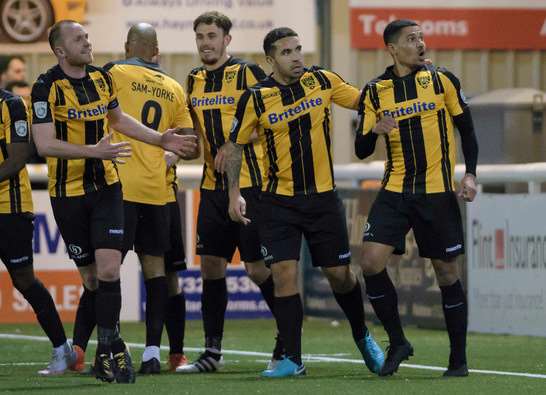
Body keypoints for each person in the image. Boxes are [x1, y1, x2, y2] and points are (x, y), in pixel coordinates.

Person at [31, 19, 197, 383]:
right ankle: (97, 344)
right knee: (92, 279)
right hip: (68, 193)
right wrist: (93, 151)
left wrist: (160, 140)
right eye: (79, 39)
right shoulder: (45, 87)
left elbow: (119, 120)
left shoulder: (102, 79)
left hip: (107, 187)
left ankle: (109, 349)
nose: (87, 43)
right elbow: (44, 145)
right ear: (60, 50)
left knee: (109, 269)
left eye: (87, 37)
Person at [222, 27, 384, 378]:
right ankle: (292, 359)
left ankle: (362, 335)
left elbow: (364, 100)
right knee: (283, 275)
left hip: (322, 199)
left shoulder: (321, 80)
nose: (296, 57)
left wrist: (402, 80)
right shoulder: (256, 97)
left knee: (339, 275)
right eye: (286, 52)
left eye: (298, 49)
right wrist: (234, 193)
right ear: (270, 60)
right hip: (277, 203)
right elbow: (234, 146)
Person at [354, 19, 479, 377]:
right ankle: (398, 341)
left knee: (445, 271)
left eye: (421, 37)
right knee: (371, 262)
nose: (420, 43)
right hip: (394, 191)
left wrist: (470, 174)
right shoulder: (375, 91)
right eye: (412, 39)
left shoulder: (443, 81)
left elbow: (467, 131)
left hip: (437, 193)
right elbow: (361, 149)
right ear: (392, 49)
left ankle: (458, 359)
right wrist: (374, 130)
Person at [176, 11, 280, 374]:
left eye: (212, 36)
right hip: (211, 188)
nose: (206, 42)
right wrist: (181, 147)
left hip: (251, 185)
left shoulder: (249, 73)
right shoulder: (194, 79)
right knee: (211, 267)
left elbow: (270, 119)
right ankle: (211, 353)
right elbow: (197, 133)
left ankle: (287, 339)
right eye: (200, 37)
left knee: (256, 269)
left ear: (227, 40)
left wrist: (234, 143)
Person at [105, 22, 199, 374]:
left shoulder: (112, 73)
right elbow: (190, 144)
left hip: (119, 186)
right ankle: (152, 353)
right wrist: (173, 154)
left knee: (108, 270)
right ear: (156, 50)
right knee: (157, 271)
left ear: (127, 44)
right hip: (158, 192)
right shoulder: (174, 88)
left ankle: (107, 349)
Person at [0, 88, 75, 376]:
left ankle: (61, 349)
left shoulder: (12, 105)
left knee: (24, 280)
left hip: (11, 209)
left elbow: (18, 158)